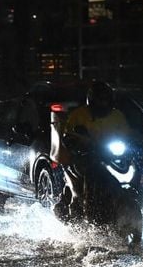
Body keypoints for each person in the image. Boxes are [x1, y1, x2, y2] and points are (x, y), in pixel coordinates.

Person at [55, 80, 131, 218]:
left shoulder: (117, 116)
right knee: (93, 175)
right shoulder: (78, 115)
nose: (103, 103)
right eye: (100, 99)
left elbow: (127, 135)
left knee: (133, 168)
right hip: (85, 157)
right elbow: (68, 135)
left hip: (110, 156)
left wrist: (133, 142)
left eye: (106, 99)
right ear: (92, 99)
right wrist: (78, 142)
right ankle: (89, 210)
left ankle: (130, 198)